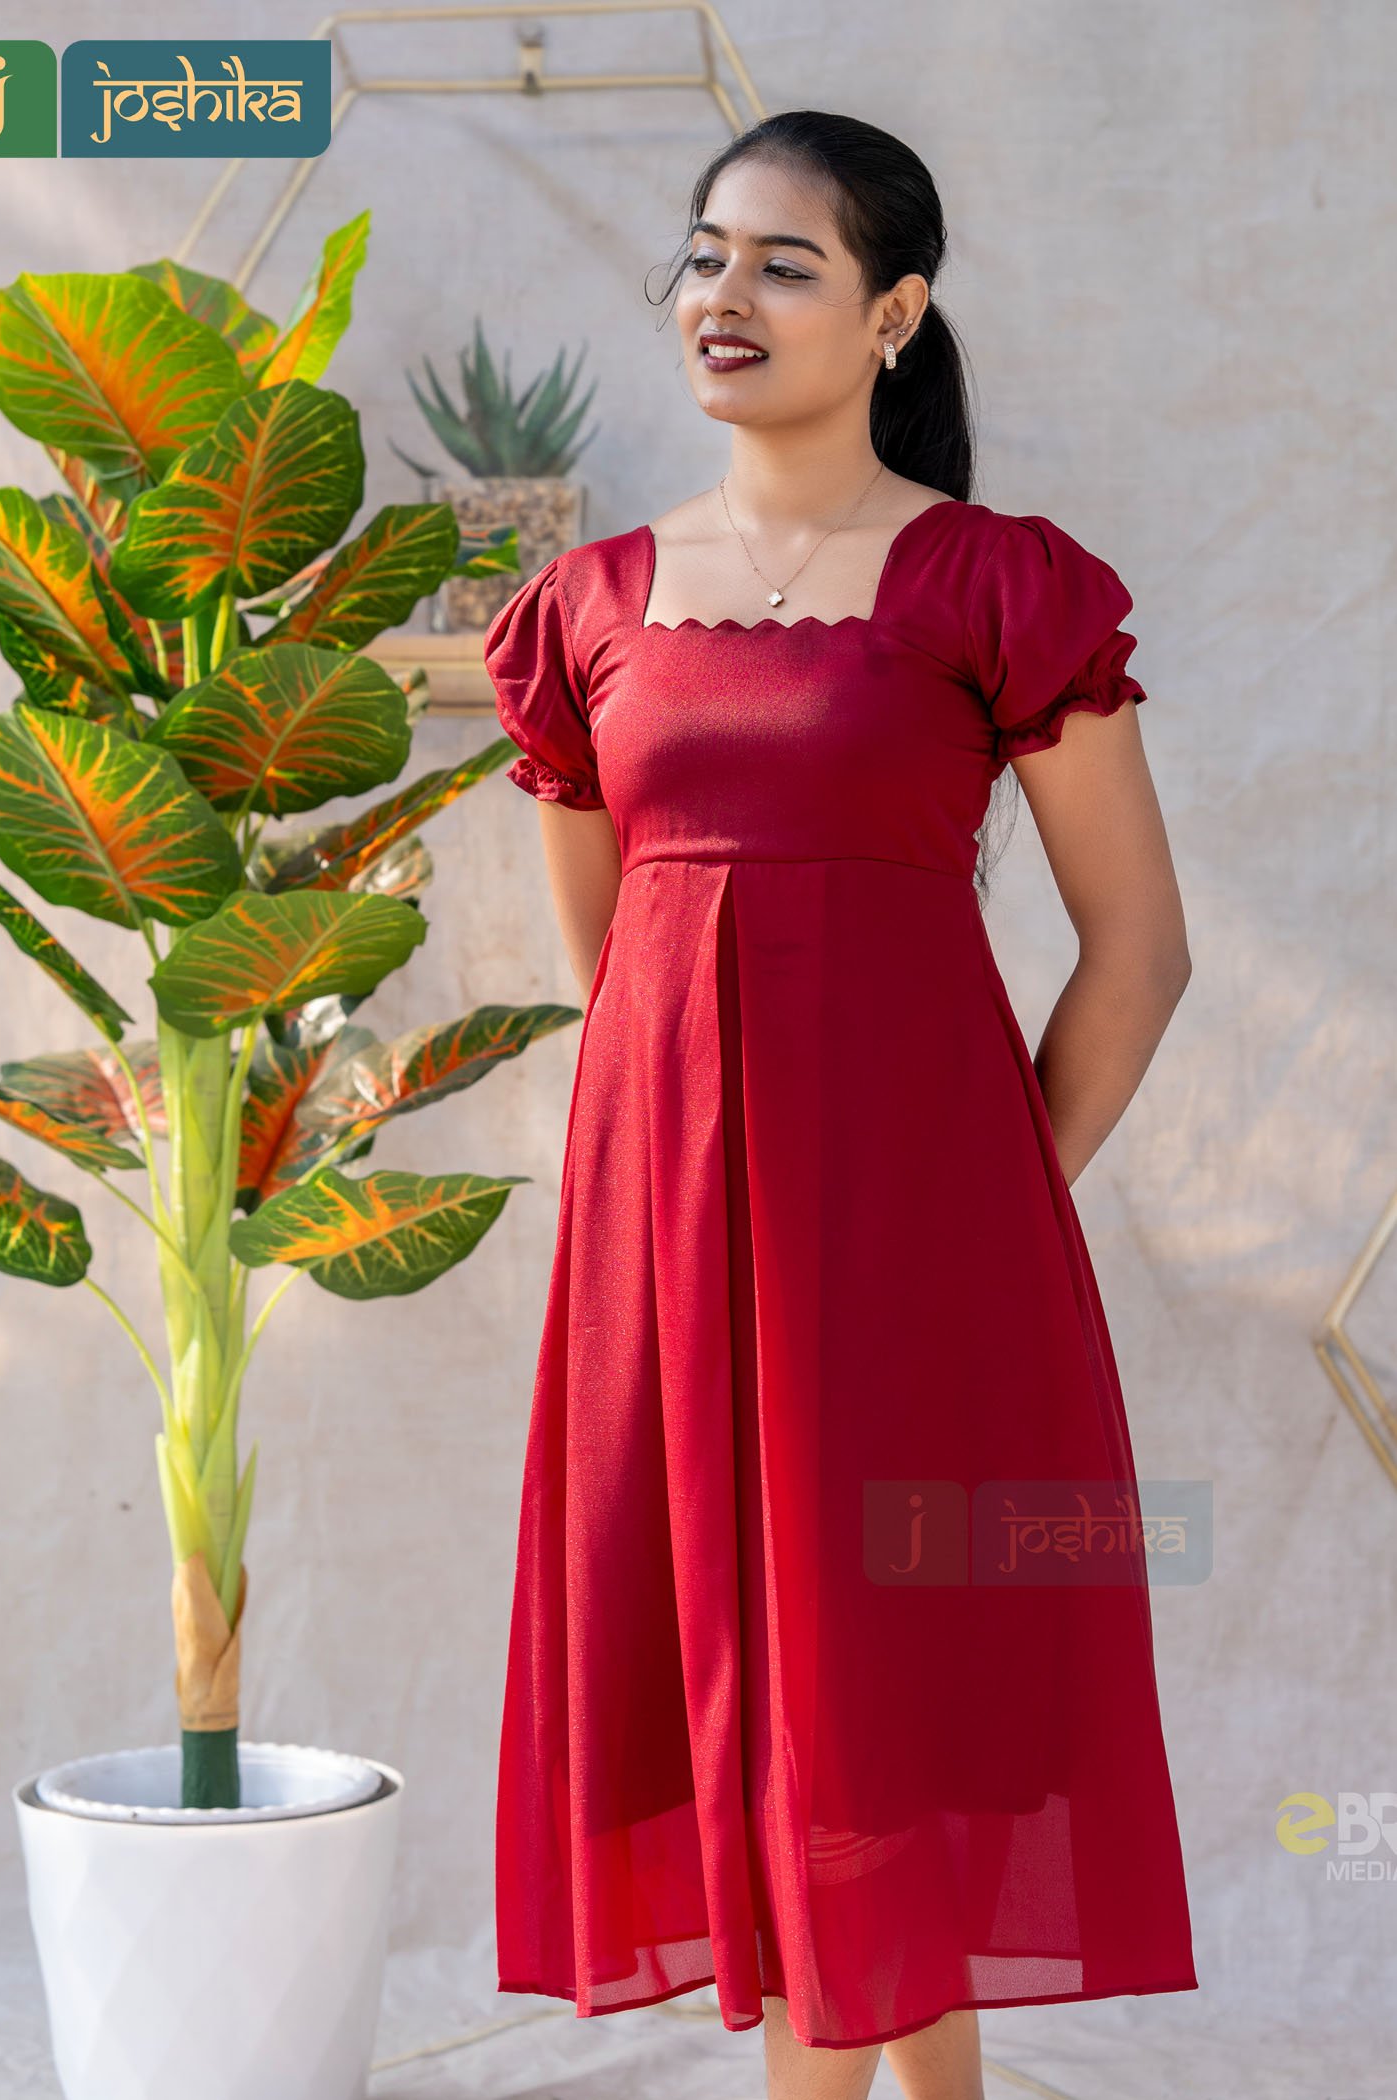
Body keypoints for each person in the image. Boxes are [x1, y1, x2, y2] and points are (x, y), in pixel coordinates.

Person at [483, 109, 1197, 2100]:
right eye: (705, 255)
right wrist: (693, 1200)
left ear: (895, 313)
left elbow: (1139, 950)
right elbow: (624, 972)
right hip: (670, 1271)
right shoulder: (586, 610)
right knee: (765, 1721)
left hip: (921, 1266)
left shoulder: (1000, 584)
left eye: (784, 264)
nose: (725, 295)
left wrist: (983, 1203)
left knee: (887, 1720)